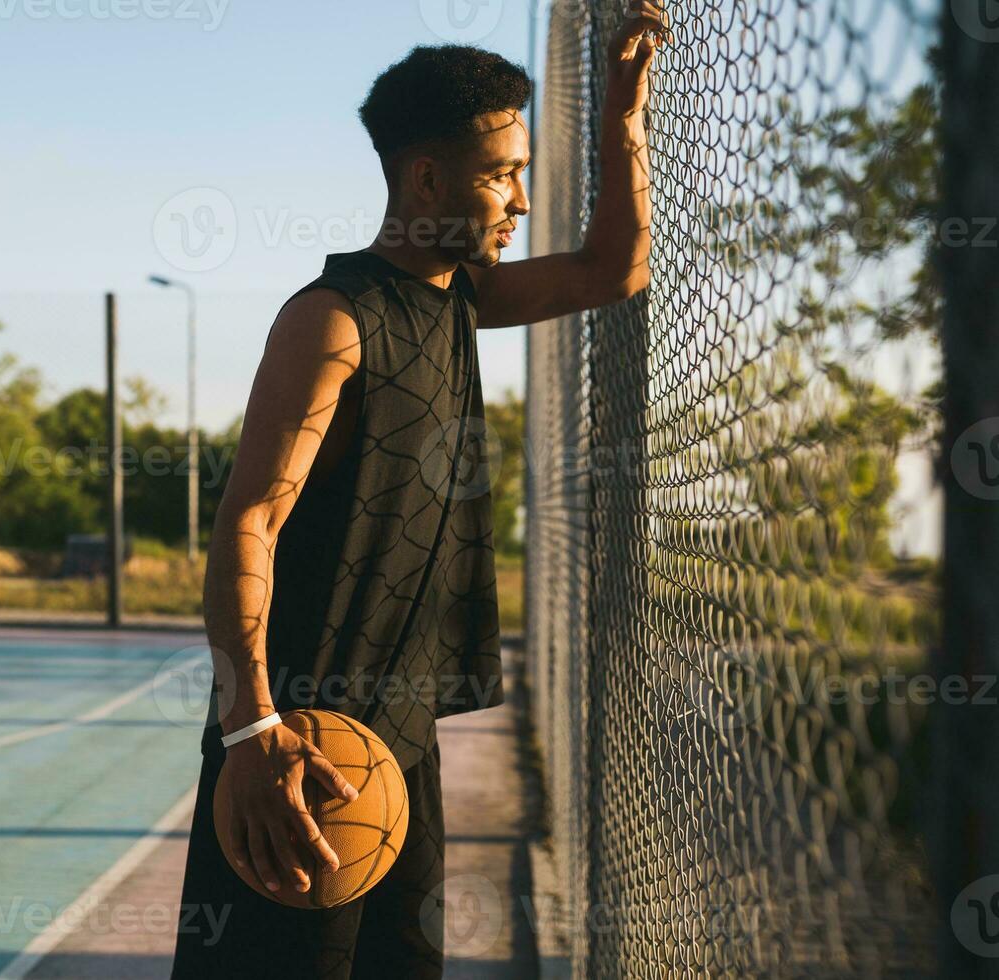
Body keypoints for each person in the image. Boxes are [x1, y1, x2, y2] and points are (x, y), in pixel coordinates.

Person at [171, 8, 667, 977]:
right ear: (425, 177)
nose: (519, 199)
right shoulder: (332, 319)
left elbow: (618, 269)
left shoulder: (461, 300)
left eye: (522, 171)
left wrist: (624, 112)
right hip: (299, 734)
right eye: (498, 176)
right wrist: (252, 728)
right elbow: (249, 524)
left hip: (399, 737)